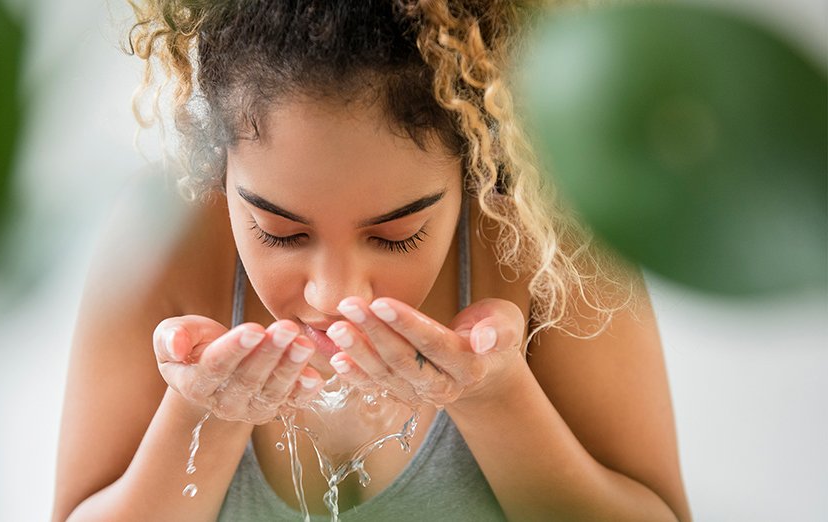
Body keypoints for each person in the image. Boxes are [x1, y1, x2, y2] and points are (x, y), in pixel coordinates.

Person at [52, 1, 691, 520]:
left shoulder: (546, 239)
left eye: (396, 236)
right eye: (278, 232)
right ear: (219, 169)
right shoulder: (159, 246)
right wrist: (203, 417)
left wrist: (494, 399)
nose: (334, 295)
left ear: (471, 163)